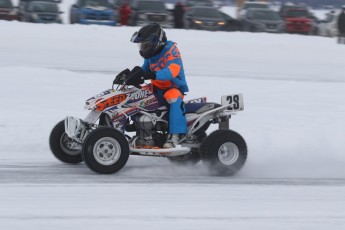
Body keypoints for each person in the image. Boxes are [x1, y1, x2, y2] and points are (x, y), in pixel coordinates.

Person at [130, 23, 189, 148]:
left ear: (156, 43)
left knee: (173, 98)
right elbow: (144, 70)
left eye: (145, 45)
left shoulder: (171, 50)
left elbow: (173, 70)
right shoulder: (151, 55)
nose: (142, 49)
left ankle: (175, 136)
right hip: (157, 87)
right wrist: (132, 76)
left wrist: (153, 75)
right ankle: (140, 131)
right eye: (142, 46)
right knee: (135, 95)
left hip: (173, 87)